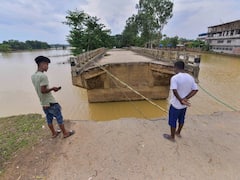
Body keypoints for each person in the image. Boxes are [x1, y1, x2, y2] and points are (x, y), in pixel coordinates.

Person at [31, 56, 75, 138]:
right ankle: (65, 133)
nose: (47, 67)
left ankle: (54, 133)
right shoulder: (43, 76)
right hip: (51, 102)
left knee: (49, 118)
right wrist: (53, 88)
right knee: (59, 117)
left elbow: (40, 90)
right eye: (47, 64)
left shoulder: (33, 76)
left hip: (43, 103)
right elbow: (43, 90)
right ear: (42, 64)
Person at [164, 60, 198, 142]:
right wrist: (185, 98)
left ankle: (172, 137)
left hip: (176, 104)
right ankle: (178, 133)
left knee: (173, 120)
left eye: (174, 68)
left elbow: (174, 91)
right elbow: (195, 90)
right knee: (181, 119)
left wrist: (180, 100)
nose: (173, 70)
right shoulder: (190, 77)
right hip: (184, 105)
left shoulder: (175, 78)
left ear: (176, 67)